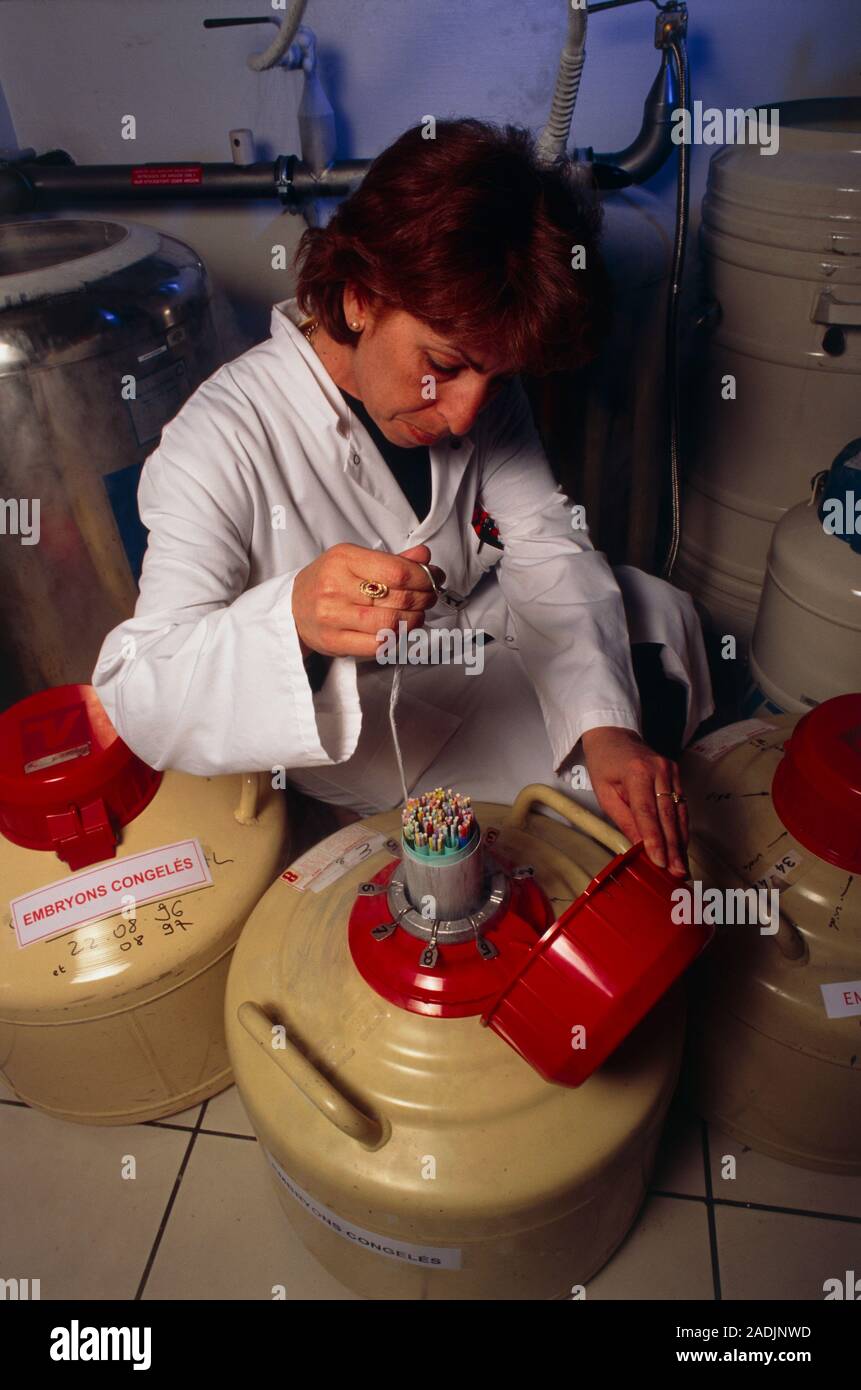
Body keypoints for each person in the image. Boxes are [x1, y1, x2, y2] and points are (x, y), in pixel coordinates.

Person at [92, 118, 714, 877]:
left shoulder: (478, 389)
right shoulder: (217, 440)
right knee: (562, 834)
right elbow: (139, 690)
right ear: (359, 299)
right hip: (368, 709)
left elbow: (546, 543)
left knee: (661, 612)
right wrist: (293, 620)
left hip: (471, 627)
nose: (464, 415)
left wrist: (603, 727)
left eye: (495, 378)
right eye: (442, 366)